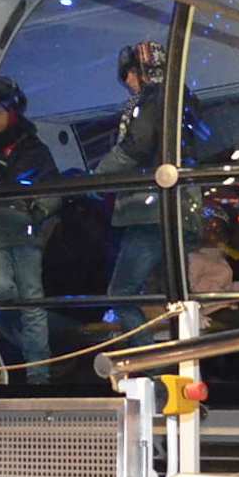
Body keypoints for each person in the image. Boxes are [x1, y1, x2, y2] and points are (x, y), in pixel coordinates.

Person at [0, 76, 58, 382]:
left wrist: (39, 210)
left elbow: (53, 187)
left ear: (13, 112)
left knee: (32, 302)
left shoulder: (34, 148)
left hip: (24, 228)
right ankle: (31, 354)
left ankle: (38, 375)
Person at [95, 39, 170, 323]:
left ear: (145, 71)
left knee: (121, 294)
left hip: (149, 211)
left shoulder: (152, 101)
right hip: (171, 210)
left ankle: (145, 351)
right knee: (165, 291)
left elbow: (137, 146)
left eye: (130, 73)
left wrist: (99, 176)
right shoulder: (177, 101)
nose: (127, 81)